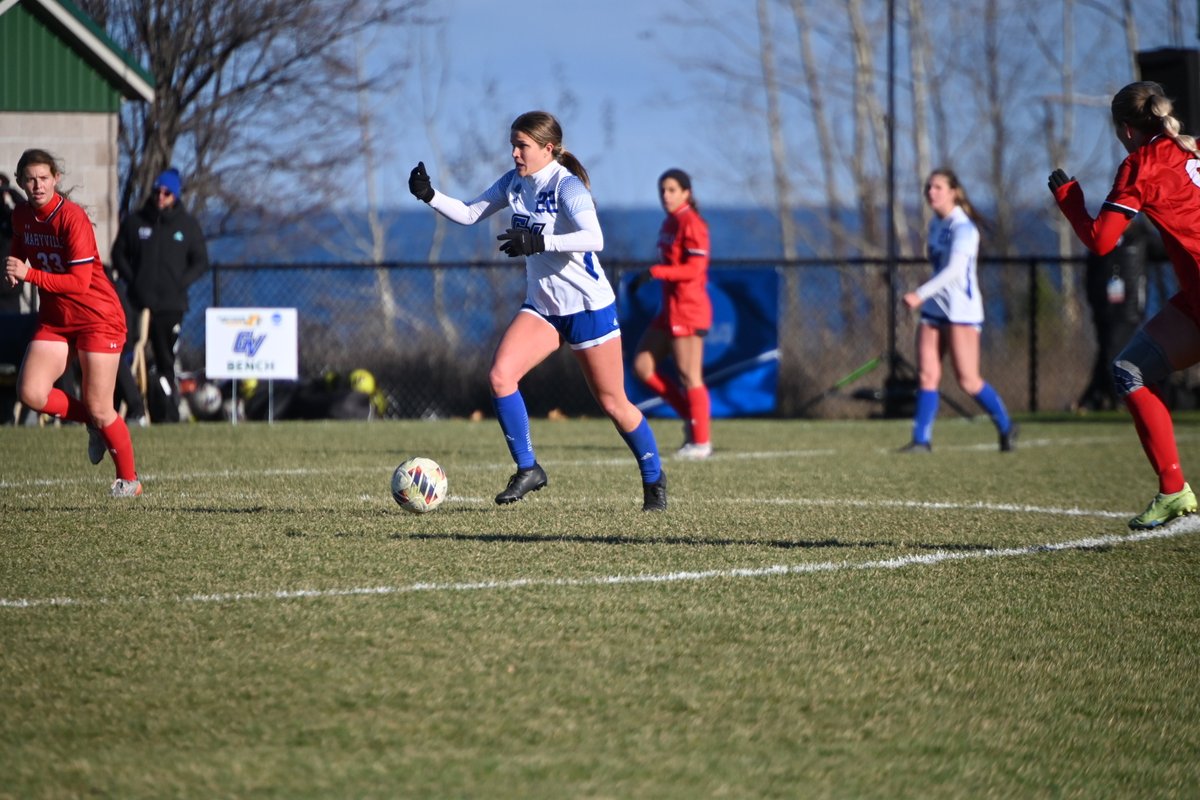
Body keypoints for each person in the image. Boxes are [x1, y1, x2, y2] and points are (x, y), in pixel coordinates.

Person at [408, 110, 667, 511]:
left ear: (548, 149)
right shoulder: (515, 182)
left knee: (614, 403)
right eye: (513, 144)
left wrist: (539, 241)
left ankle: (654, 480)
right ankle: (528, 468)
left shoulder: (567, 187)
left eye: (522, 146)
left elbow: (594, 238)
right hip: (544, 308)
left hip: (587, 308)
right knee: (500, 377)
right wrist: (430, 195)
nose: (514, 153)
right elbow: (470, 213)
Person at [1050, 80, 1200, 530]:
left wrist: (1071, 201)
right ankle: (1173, 491)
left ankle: (1175, 490)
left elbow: (1101, 240)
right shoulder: (1193, 150)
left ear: (1126, 130)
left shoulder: (1142, 164)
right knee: (1130, 369)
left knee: (1131, 372)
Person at [3, 148, 141, 497]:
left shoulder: (72, 218)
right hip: (56, 319)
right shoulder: (21, 215)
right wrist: (14, 264)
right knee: (31, 392)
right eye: (30, 179)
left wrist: (30, 273)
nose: (37, 185)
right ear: (20, 182)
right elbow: (21, 243)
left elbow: (79, 283)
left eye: (44, 178)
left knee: (100, 406)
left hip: (97, 317)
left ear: (56, 180)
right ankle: (92, 425)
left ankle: (130, 480)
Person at [900, 168, 1016, 453]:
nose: (931, 192)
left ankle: (1005, 424)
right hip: (935, 308)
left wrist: (919, 293)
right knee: (927, 374)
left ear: (954, 192)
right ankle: (921, 440)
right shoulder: (937, 225)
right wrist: (927, 298)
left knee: (968, 379)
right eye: (928, 187)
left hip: (961, 310)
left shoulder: (964, 228)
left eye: (938, 187)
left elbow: (954, 271)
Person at [111, 167, 209, 423]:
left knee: (165, 361)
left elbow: (200, 261)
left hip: (170, 305)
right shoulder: (136, 221)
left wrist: (180, 283)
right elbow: (118, 254)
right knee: (122, 352)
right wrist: (132, 280)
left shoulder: (187, 225)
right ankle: (126, 409)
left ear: (174, 195)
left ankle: (168, 413)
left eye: (166, 192)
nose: (161, 196)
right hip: (136, 302)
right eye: (157, 191)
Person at [629, 168, 713, 460]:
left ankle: (701, 442)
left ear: (686, 193)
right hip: (669, 310)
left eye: (672, 190)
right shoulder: (669, 222)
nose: (666, 195)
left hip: (689, 310)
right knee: (642, 366)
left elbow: (694, 270)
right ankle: (691, 418)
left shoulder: (693, 224)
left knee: (690, 376)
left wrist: (655, 272)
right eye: (662, 190)